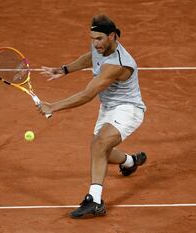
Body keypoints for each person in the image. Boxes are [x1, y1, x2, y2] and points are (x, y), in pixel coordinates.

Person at [39, 14, 147, 219]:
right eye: (92, 38)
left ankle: (95, 201)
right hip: (108, 107)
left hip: (128, 109)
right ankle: (130, 162)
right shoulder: (100, 48)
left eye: (98, 38)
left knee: (98, 144)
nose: (94, 43)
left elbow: (88, 94)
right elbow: (90, 56)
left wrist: (53, 106)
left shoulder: (118, 64)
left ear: (112, 36)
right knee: (102, 151)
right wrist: (65, 69)